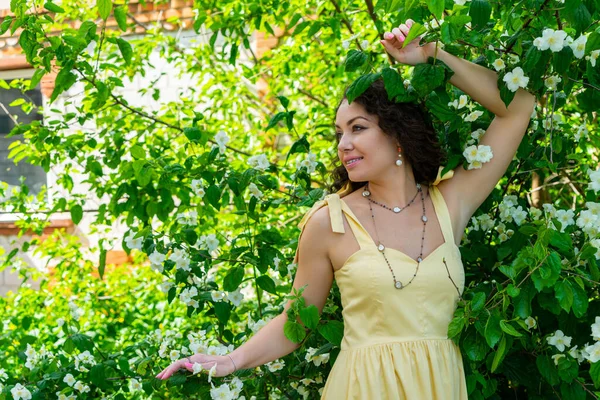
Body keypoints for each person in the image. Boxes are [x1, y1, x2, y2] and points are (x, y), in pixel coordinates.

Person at [156, 19, 535, 398]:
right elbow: (297, 322)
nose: (343, 145)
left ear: (398, 134)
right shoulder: (329, 222)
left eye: (357, 128)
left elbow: (518, 106)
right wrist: (231, 360)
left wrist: (430, 55)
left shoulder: (448, 203)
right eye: (339, 133)